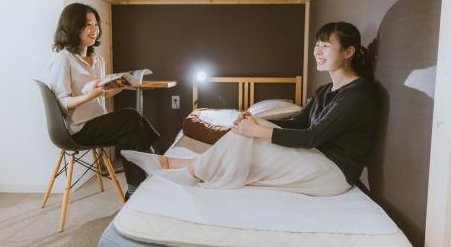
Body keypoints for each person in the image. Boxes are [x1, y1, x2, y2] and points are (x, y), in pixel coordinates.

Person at [122, 21, 378, 196]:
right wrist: (255, 123)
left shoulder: (358, 96)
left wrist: (257, 132)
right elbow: (300, 122)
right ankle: (178, 165)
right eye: (317, 45)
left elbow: (311, 136)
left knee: (253, 138)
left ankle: (183, 168)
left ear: (348, 52)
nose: (317, 52)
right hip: (316, 158)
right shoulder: (325, 91)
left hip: (333, 173)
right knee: (251, 133)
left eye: (325, 46)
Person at [49, 2, 163, 199]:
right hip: (80, 129)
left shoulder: (98, 59)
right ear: (73, 27)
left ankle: (135, 190)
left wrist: (123, 85)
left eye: (96, 24)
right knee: (130, 116)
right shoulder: (64, 59)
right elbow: (62, 103)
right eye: (87, 24)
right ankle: (155, 158)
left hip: (100, 123)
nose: (94, 29)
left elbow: (103, 94)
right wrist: (89, 96)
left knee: (131, 134)